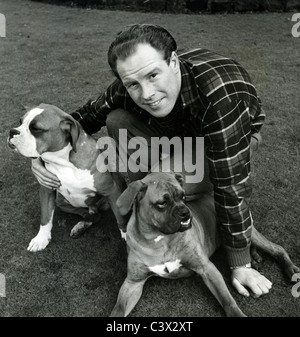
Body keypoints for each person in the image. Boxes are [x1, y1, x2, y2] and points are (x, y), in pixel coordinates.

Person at [32, 24, 272, 298]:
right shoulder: (127, 86)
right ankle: (149, 204)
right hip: (174, 133)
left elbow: (230, 186)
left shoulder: (221, 98)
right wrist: (42, 157)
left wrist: (241, 262)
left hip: (222, 137)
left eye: (153, 75)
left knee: (159, 178)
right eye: (133, 83)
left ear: (173, 62)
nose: (146, 93)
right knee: (117, 119)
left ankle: (174, 201)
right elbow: (77, 121)